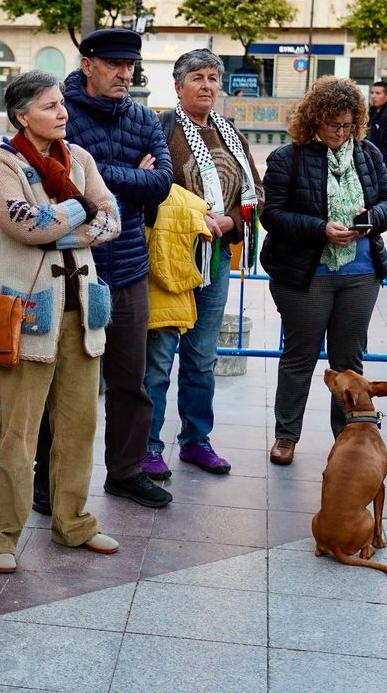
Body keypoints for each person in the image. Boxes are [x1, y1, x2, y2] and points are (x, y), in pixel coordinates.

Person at [0, 71, 122, 573]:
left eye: (62, 104)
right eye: (49, 106)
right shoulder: (0, 161)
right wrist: (77, 214)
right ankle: (0, 535)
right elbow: (20, 223)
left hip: (83, 314)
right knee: (17, 431)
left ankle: (73, 522)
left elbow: (112, 217)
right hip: (27, 314)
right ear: (22, 115)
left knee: (80, 426)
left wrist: (68, 227)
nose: (62, 113)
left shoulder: (78, 158)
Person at [44, 28, 174, 511]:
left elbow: (161, 183)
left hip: (128, 269)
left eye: (130, 66)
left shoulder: (143, 117)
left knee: (129, 381)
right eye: (115, 65)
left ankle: (126, 471)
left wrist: (101, 173)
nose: (125, 74)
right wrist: (127, 178)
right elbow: (62, 188)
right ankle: (46, 478)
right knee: (57, 379)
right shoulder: (58, 115)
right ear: (88, 64)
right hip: (70, 267)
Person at [260, 77, 387, 465]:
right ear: (313, 121)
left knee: (348, 362)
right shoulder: (286, 157)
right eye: (331, 125)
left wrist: (371, 218)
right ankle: (286, 436)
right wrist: (320, 228)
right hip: (307, 275)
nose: (340, 132)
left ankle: (347, 438)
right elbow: (271, 214)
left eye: (347, 124)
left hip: (360, 273)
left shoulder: (368, 155)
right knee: (300, 357)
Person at [142, 49, 259, 479]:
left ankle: (195, 440)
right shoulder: (160, 129)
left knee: (202, 356)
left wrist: (230, 221)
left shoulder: (230, 133)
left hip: (217, 259)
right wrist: (193, 220)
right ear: (178, 86)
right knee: (157, 357)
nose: (207, 85)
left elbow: (254, 193)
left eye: (212, 77)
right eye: (197, 78)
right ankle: (148, 446)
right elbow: (148, 185)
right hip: (171, 260)